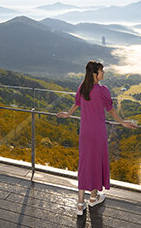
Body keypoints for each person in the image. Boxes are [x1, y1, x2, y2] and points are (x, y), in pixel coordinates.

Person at [57, 60, 136, 216]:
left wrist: (68, 114)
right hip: (98, 133)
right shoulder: (102, 90)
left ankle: (81, 203)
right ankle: (93, 198)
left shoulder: (83, 88)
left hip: (85, 133)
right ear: (95, 74)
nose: (103, 73)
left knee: (85, 163)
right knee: (96, 163)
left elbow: (76, 104)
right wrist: (122, 122)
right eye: (101, 71)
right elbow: (111, 110)